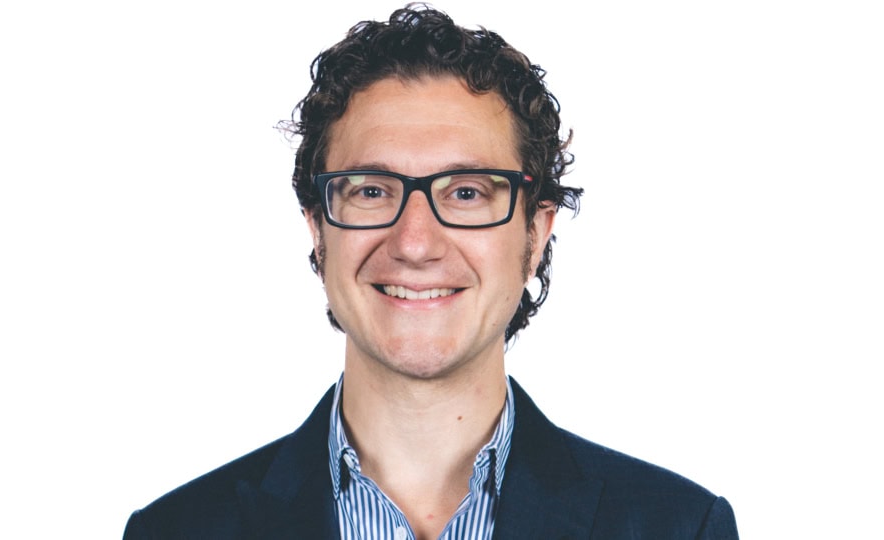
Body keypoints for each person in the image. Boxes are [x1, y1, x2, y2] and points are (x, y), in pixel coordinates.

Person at [123, 5, 738, 539]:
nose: (415, 243)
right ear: (317, 226)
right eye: (370, 191)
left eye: (467, 192)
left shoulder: (680, 528)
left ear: (537, 233)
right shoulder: (174, 531)